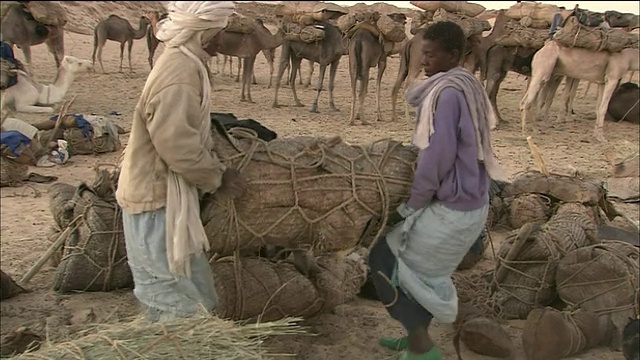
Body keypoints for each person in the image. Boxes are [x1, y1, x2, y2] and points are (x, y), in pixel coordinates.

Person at [368, 21, 506, 360]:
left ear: (453, 55)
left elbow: (437, 154)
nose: (424, 60)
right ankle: (415, 333)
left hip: (453, 207)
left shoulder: (446, 94)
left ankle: (421, 347)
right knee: (425, 275)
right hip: (470, 201)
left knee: (384, 261)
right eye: (422, 53)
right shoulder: (465, 84)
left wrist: (411, 204)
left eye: (430, 54)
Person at [115, 1, 247, 322]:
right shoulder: (180, 71)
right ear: (203, 33)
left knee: (196, 290)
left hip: (168, 198)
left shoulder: (187, 64)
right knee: (170, 300)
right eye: (219, 33)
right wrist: (218, 177)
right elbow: (176, 144)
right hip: (155, 200)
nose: (222, 40)